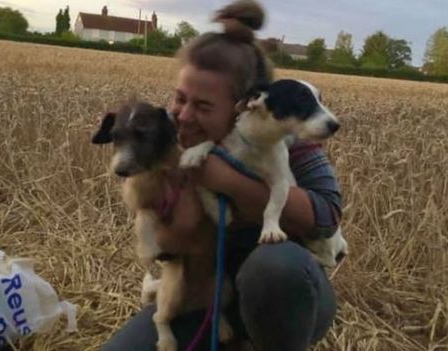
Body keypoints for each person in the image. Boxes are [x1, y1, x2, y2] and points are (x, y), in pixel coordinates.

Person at [101, 1, 342, 350]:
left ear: (246, 106)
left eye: (203, 107)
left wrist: (227, 181)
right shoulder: (167, 139)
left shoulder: (285, 140)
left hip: (282, 299)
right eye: (179, 98)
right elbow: (160, 236)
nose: (183, 115)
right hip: (201, 297)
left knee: (275, 267)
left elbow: (327, 216)